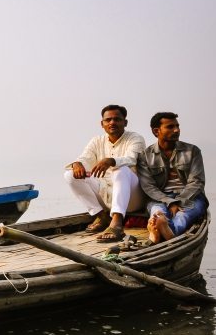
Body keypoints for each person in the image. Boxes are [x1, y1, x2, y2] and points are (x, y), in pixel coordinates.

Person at [64, 104, 146, 242]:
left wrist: (111, 161)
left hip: (133, 198)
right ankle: (101, 215)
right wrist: (77, 164)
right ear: (102, 124)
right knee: (70, 175)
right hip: (107, 195)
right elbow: (85, 159)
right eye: (108, 120)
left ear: (125, 122)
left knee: (121, 170)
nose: (112, 122)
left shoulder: (135, 138)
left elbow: (131, 159)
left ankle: (116, 223)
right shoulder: (97, 141)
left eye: (117, 119)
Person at [137, 112, 208, 243]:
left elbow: (197, 182)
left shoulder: (192, 151)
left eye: (177, 126)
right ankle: (163, 227)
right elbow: (148, 187)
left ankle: (162, 232)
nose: (176, 130)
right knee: (157, 212)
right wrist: (170, 202)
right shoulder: (145, 156)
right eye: (170, 127)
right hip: (159, 198)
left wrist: (179, 201)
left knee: (182, 215)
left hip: (189, 197)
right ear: (156, 131)